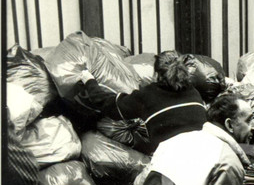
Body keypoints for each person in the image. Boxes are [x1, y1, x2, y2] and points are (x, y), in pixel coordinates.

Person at [79, 50, 207, 152]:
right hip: (203, 154)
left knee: (139, 183)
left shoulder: (148, 95)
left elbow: (109, 106)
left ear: (156, 75)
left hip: (172, 163)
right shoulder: (194, 93)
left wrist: (89, 81)